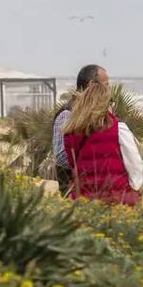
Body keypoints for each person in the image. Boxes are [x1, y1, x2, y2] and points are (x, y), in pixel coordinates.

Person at [62, 73, 143, 206]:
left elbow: (73, 164)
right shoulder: (118, 128)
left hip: (83, 200)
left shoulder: (71, 130)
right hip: (116, 199)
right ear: (105, 103)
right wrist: (136, 190)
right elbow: (135, 167)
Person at [52, 64, 106, 195]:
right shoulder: (68, 113)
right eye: (106, 84)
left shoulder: (96, 112)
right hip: (72, 193)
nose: (108, 90)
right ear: (91, 85)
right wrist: (89, 164)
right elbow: (60, 157)